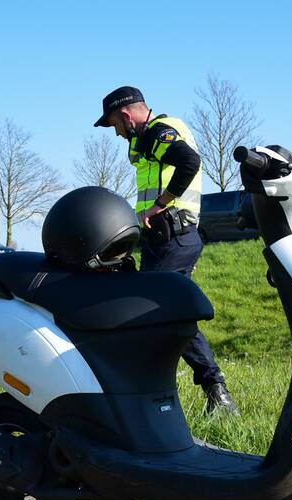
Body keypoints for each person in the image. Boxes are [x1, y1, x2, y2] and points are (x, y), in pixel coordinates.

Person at [94, 86, 239, 415]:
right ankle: (204, 395)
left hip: (175, 236)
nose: (116, 132)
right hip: (165, 241)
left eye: (115, 124)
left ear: (127, 115)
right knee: (168, 317)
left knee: (150, 313)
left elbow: (189, 161)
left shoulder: (160, 131)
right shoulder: (146, 138)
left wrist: (159, 205)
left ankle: (157, 397)